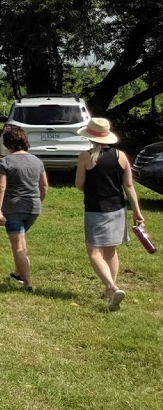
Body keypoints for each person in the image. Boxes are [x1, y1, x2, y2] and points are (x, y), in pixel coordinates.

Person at [74, 117, 145, 311]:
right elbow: (129, 186)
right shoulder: (121, 156)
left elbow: (79, 184)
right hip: (118, 209)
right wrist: (137, 212)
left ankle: (112, 288)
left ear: (90, 137)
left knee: (94, 252)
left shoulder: (85, 157)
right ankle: (109, 292)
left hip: (96, 209)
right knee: (111, 251)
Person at [0, 125, 48, 292]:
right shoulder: (37, 161)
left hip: (14, 209)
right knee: (22, 241)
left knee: (18, 246)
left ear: (7, 143)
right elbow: (44, 185)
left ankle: (28, 283)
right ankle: (18, 273)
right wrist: (39, 200)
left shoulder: (6, 162)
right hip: (33, 209)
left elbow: (0, 187)